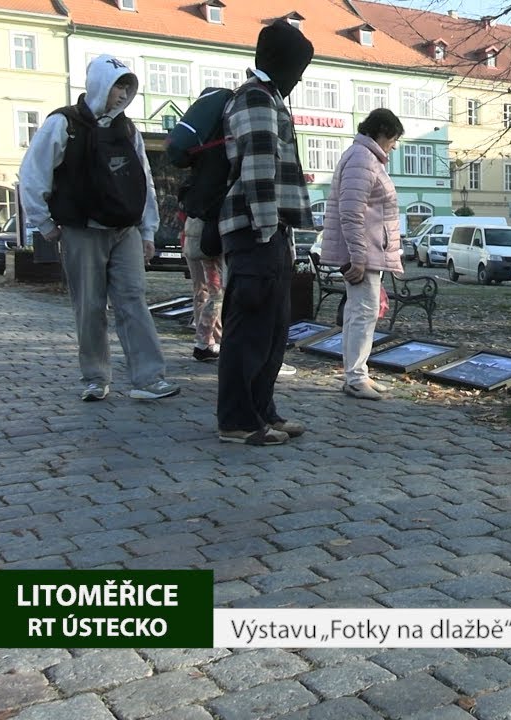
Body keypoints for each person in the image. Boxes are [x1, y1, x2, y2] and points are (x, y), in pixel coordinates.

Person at [19, 54, 180, 403]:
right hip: (82, 229)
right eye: (117, 86)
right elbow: (33, 172)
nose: (122, 94)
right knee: (89, 306)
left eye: (127, 87)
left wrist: (148, 230)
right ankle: (94, 377)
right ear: (99, 86)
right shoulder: (63, 124)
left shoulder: (128, 129)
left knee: (134, 301)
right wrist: (42, 221)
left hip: (125, 230)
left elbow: (145, 181)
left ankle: (148, 378)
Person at [215, 18, 314, 445]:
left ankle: (262, 410)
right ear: (281, 63)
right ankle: (237, 421)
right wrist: (267, 228)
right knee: (250, 327)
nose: (300, 77)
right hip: (256, 229)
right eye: (298, 68)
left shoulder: (267, 95)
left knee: (272, 330)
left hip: (269, 231)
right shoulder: (256, 97)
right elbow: (257, 167)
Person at [320, 108, 404, 401]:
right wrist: (357, 256)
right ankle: (355, 378)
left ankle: (358, 373)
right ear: (382, 133)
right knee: (362, 314)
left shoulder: (364, 157)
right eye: (393, 140)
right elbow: (351, 211)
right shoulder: (362, 159)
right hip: (363, 253)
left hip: (367, 251)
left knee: (361, 313)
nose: (393, 147)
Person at [179, 211, 221, 362]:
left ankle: (205, 340)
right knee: (216, 293)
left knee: (210, 293)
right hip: (211, 239)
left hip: (197, 239)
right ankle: (208, 340)